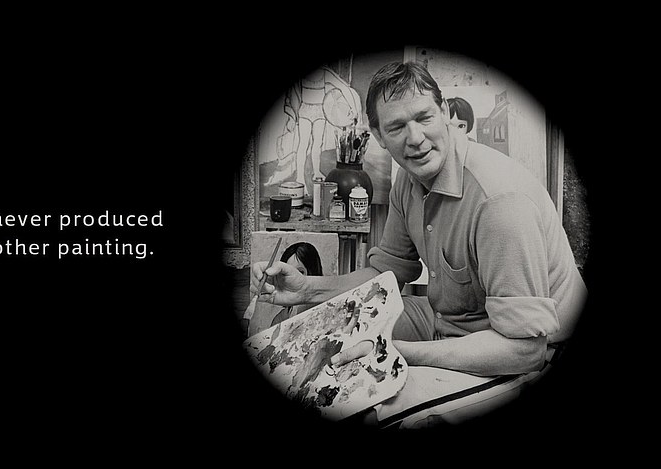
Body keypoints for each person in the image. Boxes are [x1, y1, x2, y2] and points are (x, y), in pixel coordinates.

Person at [250, 61, 587, 377]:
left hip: (522, 349)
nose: (414, 139)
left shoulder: (499, 202)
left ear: (445, 113)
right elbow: (385, 275)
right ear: (378, 136)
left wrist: (398, 353)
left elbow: (525, 350)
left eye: (424, 118)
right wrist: (306, 289)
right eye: (397, 127)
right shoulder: (409, 179)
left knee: (375, 391)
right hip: (447, 321)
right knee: (322, 331)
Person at [247, 242, 323, 337]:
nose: (294, 280)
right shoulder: (279, 321)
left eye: (300, 272)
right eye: (287, 274)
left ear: (313, 272)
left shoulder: (327, 311)